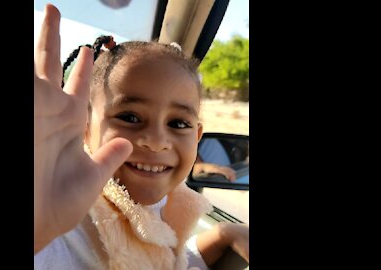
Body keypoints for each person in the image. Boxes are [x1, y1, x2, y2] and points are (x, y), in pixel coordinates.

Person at [34, 4, 248, 269]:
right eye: (130, 118)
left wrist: (222, 236)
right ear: (85, 128)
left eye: (179, 123)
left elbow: (162, 262)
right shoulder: (67, 221)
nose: (156, 141)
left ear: (197, 136)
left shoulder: (170, 208)